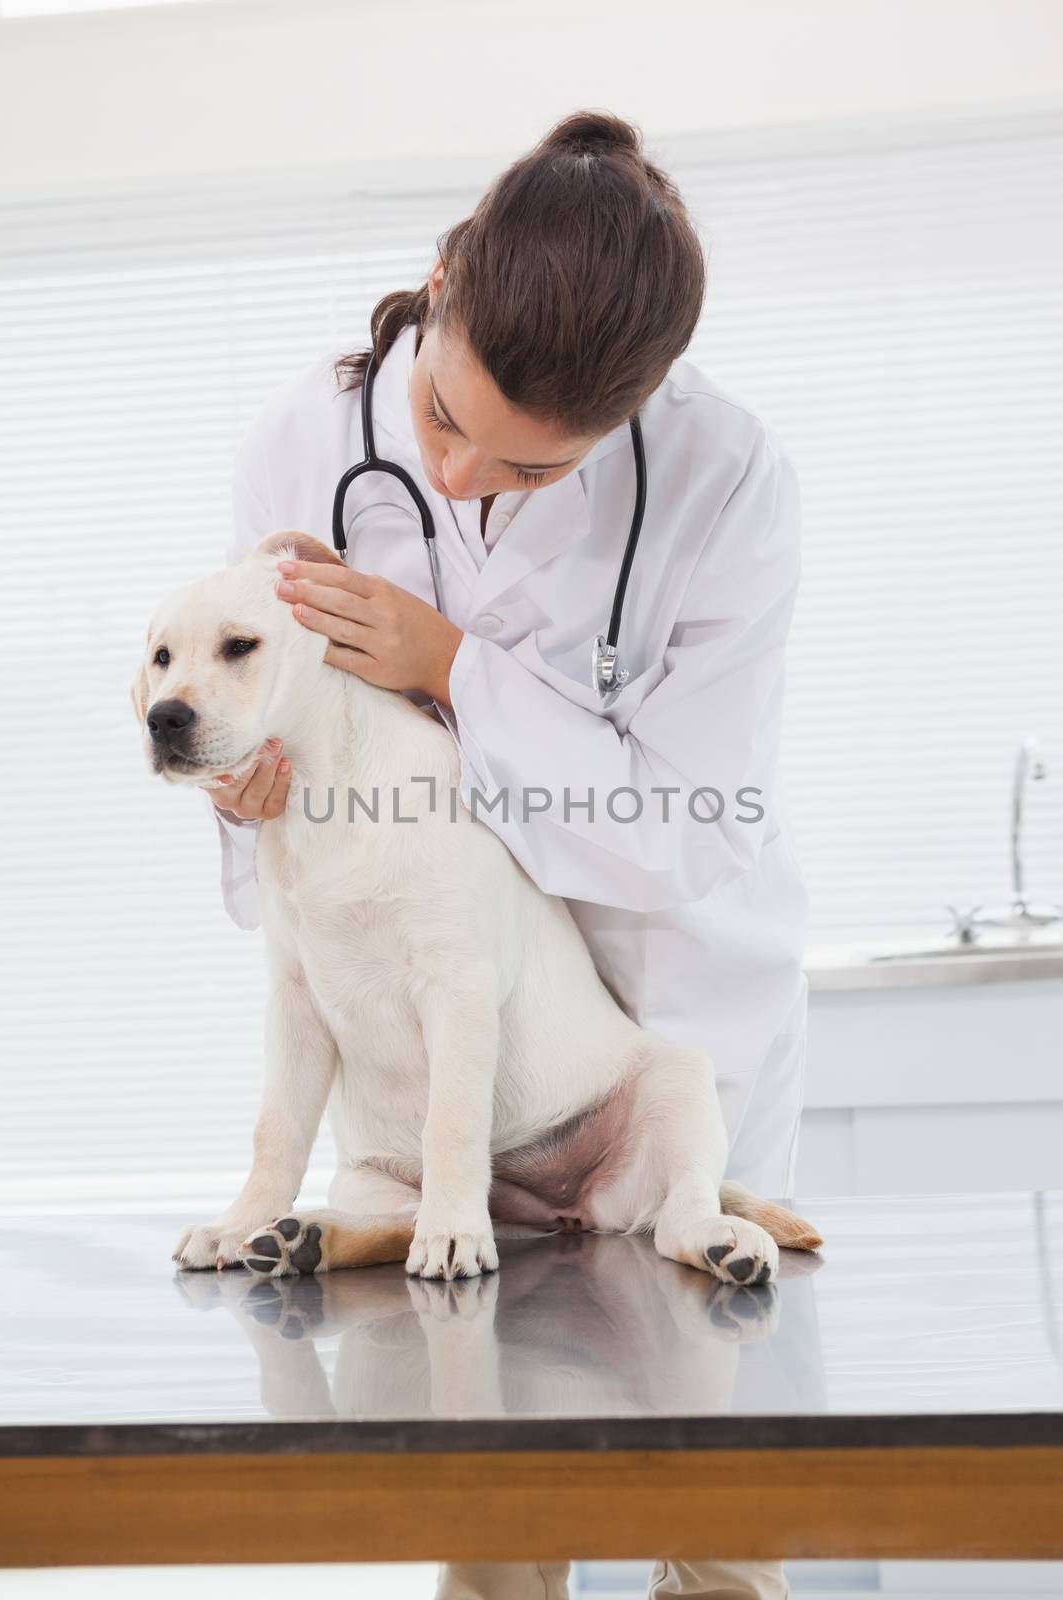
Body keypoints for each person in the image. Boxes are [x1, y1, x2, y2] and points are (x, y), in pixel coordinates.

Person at [209, 109, 809, 1600]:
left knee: (716, 1528)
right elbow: (271, 752)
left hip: (668, 1033)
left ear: (639, 407)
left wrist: (453, 667)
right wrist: (249, 777)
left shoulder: (726, 482)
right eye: (442, 424)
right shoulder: (304, 439)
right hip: (440, 1065)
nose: (466, 481)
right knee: (493, 1515)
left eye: (532, 473)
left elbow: (679, 833)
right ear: (438, 281)